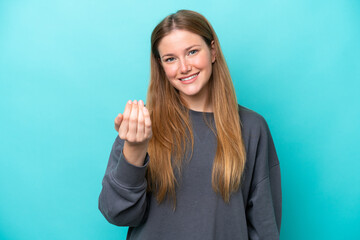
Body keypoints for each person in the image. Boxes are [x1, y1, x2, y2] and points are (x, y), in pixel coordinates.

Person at [98, 9, 281, 240]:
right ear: (161, 66)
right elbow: (117, 213)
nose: (184, 67)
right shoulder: (141, 126)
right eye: (170, 59)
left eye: (192, 52)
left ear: (212, 51)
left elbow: (264, 225)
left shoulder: (252, 128)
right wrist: (134, 151)